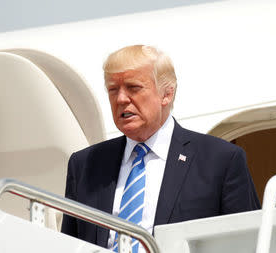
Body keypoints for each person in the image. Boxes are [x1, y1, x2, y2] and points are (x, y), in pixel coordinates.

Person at [61, 45, 260, 252]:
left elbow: (250, 243)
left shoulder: (220, 160)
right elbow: (68, 245)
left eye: (133, 88)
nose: (120, 99)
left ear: (167, 94)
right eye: (113, 90)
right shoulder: (85, 164)